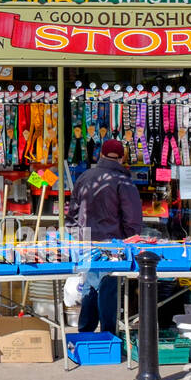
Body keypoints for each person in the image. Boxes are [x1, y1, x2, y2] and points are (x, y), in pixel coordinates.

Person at [66, 138, 143, 334]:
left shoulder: (84, 177)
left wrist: (76, 237)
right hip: (112, 245)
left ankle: (85, 334)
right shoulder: (123, 181)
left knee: (90, 288)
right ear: (122, 158)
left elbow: (72, 214)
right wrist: (130, 242)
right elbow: (132, 218)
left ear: (101, 154)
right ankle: (109, 335)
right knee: (108, 289)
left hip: (86, 242)